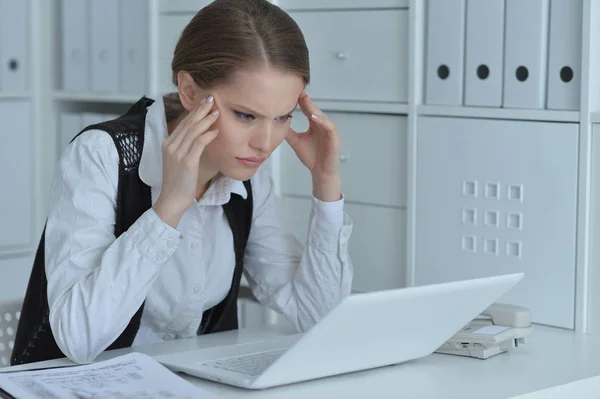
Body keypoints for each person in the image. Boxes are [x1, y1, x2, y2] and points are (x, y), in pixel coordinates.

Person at [10, 0, 353, 366]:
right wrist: (169, 207)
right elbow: (78, 338)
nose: (266, 142)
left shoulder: (247, 173)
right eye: (246, 115)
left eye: (283, 116)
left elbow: (318, 316)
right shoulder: (101, 155)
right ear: (189, 91)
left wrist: (326, 182)